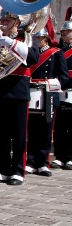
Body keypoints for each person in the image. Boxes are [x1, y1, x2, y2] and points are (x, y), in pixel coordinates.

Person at [0, 9, 39, 186]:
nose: (3, 24)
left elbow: (33, 57)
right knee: (1, 134)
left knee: (18, 134)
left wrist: (11, 43)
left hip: (18, 91)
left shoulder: (26, 39)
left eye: (6, 21)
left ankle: (17, 170)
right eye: (1, 20)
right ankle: (2, 170)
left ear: (16, 22)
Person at [25, 18, 68, 177]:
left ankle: (42, 162)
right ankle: (30, 161)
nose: (35, 42)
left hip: (48, 95)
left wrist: (50, 82)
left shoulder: (56, 54)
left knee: (45, 130)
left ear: (45, 39)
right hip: (32, 94)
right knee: (31, 129)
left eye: (37, 39)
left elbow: (63, 77)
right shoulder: (32, 54)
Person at [53, 8, 72, 170]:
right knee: (59, 125)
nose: (64, 34)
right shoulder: (59, 51)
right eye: (63, 32)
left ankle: (70, 156)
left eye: (67, 31)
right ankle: (60, 156)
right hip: (60, 89)